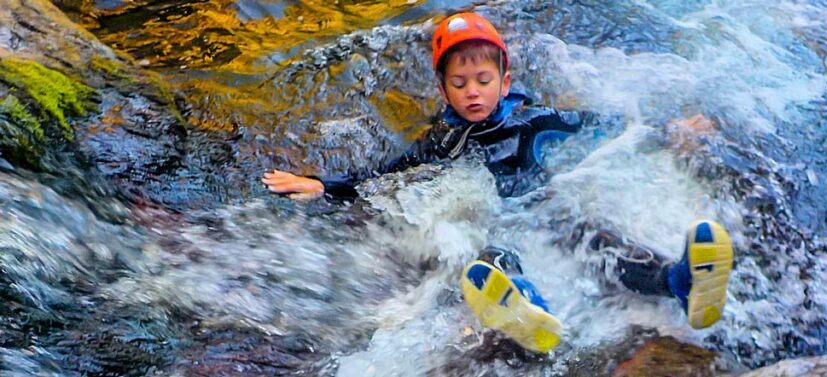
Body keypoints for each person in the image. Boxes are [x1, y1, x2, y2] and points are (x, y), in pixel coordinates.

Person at [262, 12, 734, 353]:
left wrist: (670, 132)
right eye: (460, 82)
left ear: (504, 82)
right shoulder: (443, 142)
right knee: (488, 257)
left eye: (483, 79)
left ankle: (681, 281)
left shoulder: (536, 118)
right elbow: (384, 177)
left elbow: (607, 128)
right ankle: (525, 310)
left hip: (548, 209)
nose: (472, 91)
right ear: (444, 89)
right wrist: (323, 185)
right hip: (495, 222)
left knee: (599, 239)